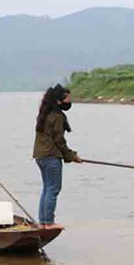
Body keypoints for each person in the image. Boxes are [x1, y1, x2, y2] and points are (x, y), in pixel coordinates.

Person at [33, 84, 82, 230]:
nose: (70, 101)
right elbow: (59, 141)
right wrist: (72, 156)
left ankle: (43, 221)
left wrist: (70, 156)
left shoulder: (45, 113)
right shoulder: (57, 117)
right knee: (53, 189)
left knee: (47, 188)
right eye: (68, 98)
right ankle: (49, 222)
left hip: (40, 156)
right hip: (51, 157)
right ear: (59, 101)